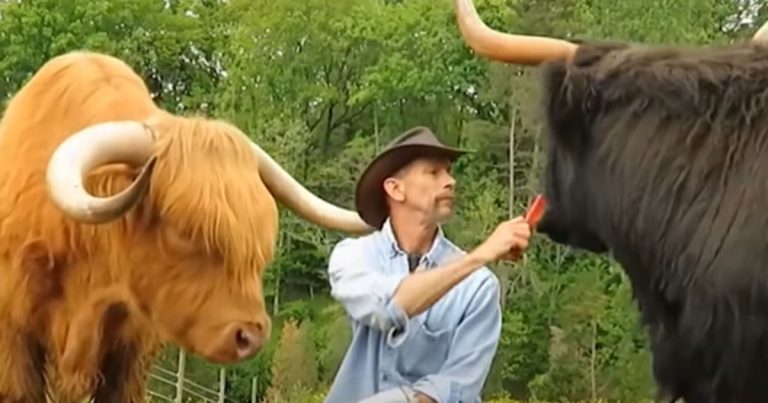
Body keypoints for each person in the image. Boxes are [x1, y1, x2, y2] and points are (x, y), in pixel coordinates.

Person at [324, 126, 533, 403]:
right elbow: (388, 308)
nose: (450, 181)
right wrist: (479, 256)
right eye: (434, 173)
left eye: (448, 171)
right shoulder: (353, 257)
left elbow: (455, 389)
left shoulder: (478, 287)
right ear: (395, 189)